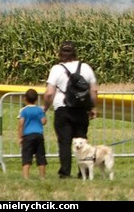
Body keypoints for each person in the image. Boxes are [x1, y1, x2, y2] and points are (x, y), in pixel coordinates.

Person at [43, 41, 99, 179]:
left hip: (63, 109)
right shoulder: (85, 67)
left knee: (65, 142)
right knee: (82, 140)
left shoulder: (57, 69)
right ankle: (84, 172)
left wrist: (44, 108)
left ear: (60, 53)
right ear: (75, 53)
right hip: (81, 109)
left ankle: (65, 172)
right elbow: (94, 90)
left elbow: (49, 93)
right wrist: (93, 107)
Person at [18, 88, 47, 179]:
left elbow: (21, 124)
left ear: (25, 99)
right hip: (39, 134)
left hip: (27, 135)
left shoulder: (24, 111)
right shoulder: (39, 110)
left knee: (27, 156)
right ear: (36, 99)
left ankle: (26, 176)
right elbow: (43, 121)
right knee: (40, 156)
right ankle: (42, 176)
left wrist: (20, 137)